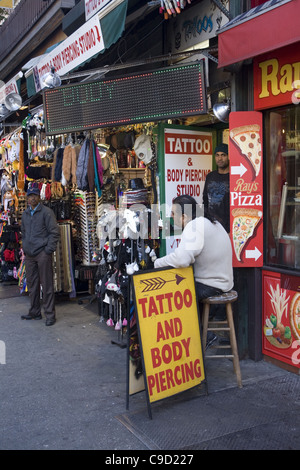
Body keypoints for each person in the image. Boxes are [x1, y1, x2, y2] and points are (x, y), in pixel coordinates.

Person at [154, 194, 233, 348]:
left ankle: (201, 336)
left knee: (173, 296)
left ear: (183, 216)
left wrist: (157, 263)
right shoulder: (209, 222)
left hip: (213, 284)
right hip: (223, 282)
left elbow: (182, 259)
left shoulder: (194, 226)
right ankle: (199, 334)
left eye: (173, 214)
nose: (171, 217)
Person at [21, 186, 60, 326]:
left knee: (47, 284)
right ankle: (35, 312)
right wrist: (25, 247)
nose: (32, 198)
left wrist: (48, 250)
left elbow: (54, 232)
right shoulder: (25, 214)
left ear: (39, 197)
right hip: (30, 254)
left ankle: (50, 315)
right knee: (32, 285)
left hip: (42, 253)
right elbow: (23, 232)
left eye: (35, 195)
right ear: (27, 198)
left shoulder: (46, 212)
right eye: (30, 196)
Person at [202, 143, 230, 233]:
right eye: (217, 155)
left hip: (228, 228)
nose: (220, 158)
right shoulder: (210, 176)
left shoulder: (234, 177)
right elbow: (205, 200)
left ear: (229, 156)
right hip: (211, 225)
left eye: (223, 155)